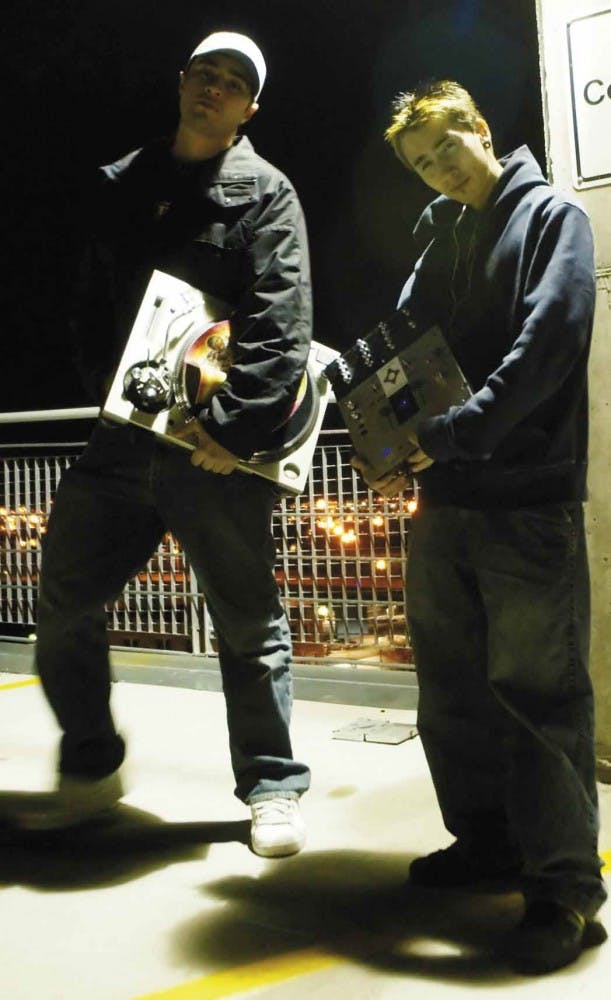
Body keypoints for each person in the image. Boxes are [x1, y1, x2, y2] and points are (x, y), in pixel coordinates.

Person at [18, 30, 312, 858]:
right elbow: (84, 305)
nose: (212, 89)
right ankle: (91, 763)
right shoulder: (121, 184)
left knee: (247, 624)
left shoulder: (265, 194)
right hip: (118, 444)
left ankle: (271, 787)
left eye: (232, 84)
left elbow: (280, 330)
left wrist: (230, 434)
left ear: (251, 107)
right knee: (65, 604)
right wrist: (106, 392)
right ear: (182, 82)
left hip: (211, 452)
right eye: (202, 74)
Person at [353, 80, 607, 973]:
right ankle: (487, 841)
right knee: (452, 690)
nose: (437, 171)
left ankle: (565, 888)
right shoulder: (442, 237)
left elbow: (550, 341)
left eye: (443, 150)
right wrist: (372, 426)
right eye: (420, 164)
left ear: (480, 130)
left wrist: (453, 433)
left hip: (525, 502)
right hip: (447, 503)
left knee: (538, 696)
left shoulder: (550, 218)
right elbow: (403, 346)